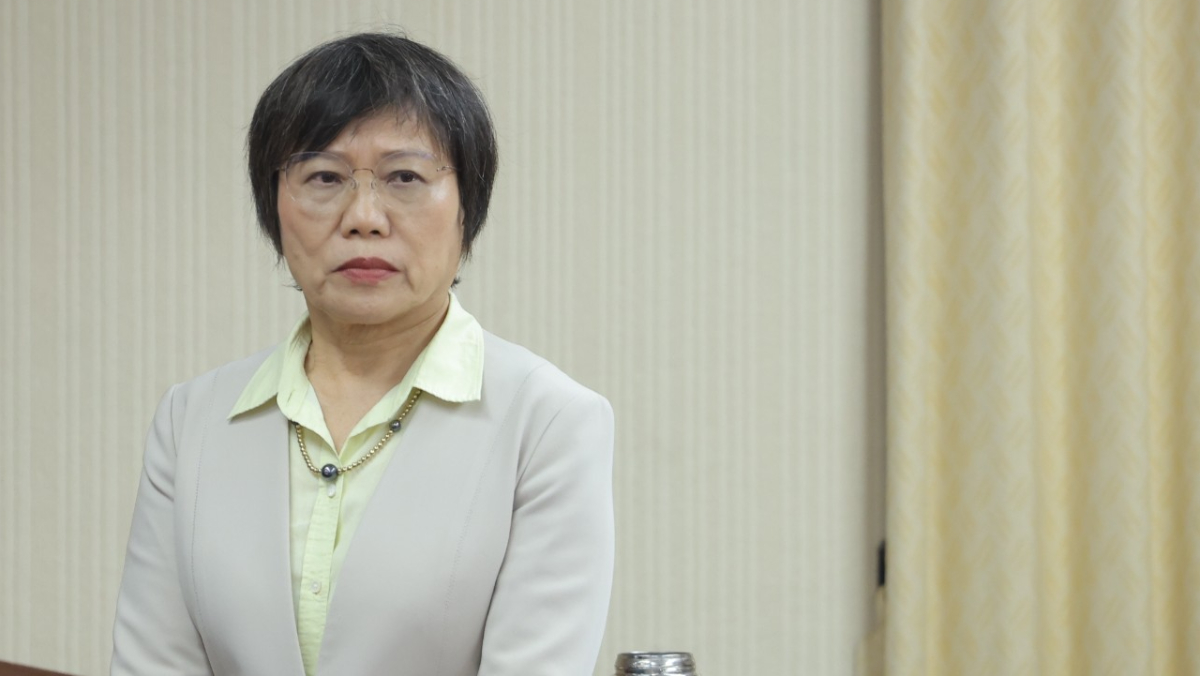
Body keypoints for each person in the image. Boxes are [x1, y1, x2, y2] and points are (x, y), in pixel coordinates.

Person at [111, 32, 615, 676]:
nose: (364, 217)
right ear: (274, 205)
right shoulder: (192, 421)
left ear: (468, 207)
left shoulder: (548, 422)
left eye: (406, 177)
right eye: (324, 177)